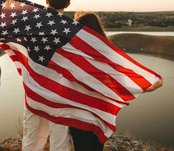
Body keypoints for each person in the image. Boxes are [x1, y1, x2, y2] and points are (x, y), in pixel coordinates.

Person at [69, 12, 163, 151]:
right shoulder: (110, 54)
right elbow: (121, 84)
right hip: (101, 112)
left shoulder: (72, 53)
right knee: (96, 147)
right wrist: (147, 87)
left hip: (78, 113)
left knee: (81, 147)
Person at [22, 0, 73, 151]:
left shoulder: (29, 22)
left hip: (34, 93)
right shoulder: (73, 31)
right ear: (68, 3)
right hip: (60, 96)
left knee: (31, 140)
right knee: (60, 144)